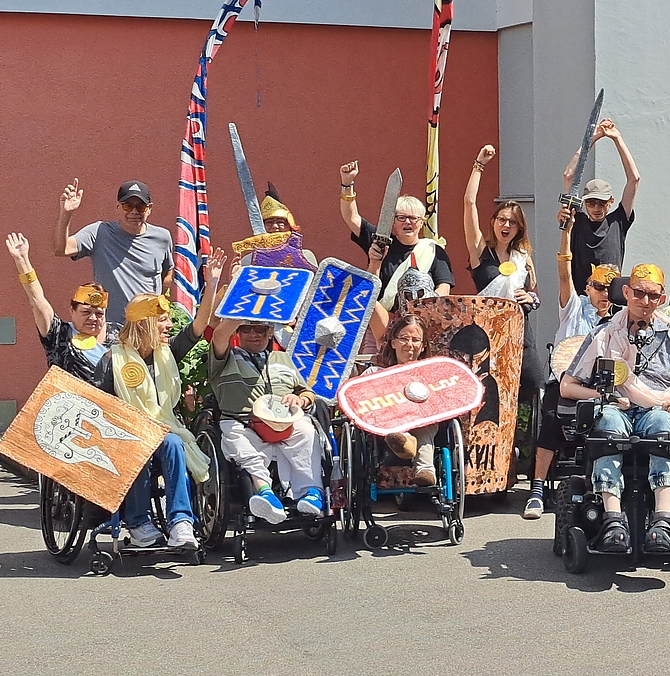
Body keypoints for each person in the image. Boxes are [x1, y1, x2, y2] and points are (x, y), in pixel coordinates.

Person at [559, 264, 670, 553]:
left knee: (662, 423)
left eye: (653, 296)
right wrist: (603, 395)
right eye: (639, 293)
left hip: (658, 409)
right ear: (627, 292)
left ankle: (663, 520)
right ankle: (613, 521)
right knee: (608, 422)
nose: (645, 301)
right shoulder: (603, 335)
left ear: (662, 299)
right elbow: (567, 386)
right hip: (616, 409)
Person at [90, 249, 226, 549]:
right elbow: (98, 406)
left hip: (163, 432)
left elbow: (199, 325)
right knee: (142, 445)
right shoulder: (112, 360)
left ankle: (180, 522)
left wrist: (213, 282)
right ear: (144, 324)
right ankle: (138, 522)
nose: (169, 326)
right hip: (124, 435)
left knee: (173, 442)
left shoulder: (168, 354)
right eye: (162, 320)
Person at [521, 227, 620, 520]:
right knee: (552, 418)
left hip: (601, 386)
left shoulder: (620, 321)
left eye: (610, 288)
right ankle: (537, 489)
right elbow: (564, 271)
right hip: (565, 380)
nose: (604, 293)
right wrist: (565, 230)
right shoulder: (574, 308)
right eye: (598, 287)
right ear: (588, 288)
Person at [209, 314, 326, 524]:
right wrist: (246, 309)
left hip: (285, 420)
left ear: (270, 332)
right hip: (243, 420)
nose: (253, 334)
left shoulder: (282, 358)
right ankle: (265, 494)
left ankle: (312, 493)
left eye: (260, 329)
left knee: (307, 431)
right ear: (237, 332)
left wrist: (300, 399)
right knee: (238, 438)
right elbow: (219, 335)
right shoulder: (225, 357)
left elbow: (306, 392)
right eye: (246, 329)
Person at [463, 144, 546, 407]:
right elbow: (469, 203)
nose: (506, 225)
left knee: (536, 389)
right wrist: (479, 165)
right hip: (486, 337)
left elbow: (536, 296)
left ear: (519, 228)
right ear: (493, 222)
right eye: (502, 220)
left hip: (520, 335)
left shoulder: (524, 256)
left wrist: (531, 299)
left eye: (512, 222)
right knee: (489, 397)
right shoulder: (480, 251)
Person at [52, 179, 174, 320]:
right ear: (117, 207)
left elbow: (167, 273)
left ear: (149, 209)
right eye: (128, 206)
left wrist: (157, 305)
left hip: (148, 326)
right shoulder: (99, 232)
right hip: (111, 328)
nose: (134, 212)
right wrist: (66, 214)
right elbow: (61, 249)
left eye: (141, 207)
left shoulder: (162, 237)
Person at [338, 161, 454, 309]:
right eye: (401, 218)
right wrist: (347, 183)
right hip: (382, 316)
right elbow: (351, 217)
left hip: (420, 317)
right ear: (393, 222)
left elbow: (444, 287)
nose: (407, 222)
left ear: (422, 222)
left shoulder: (433, 251)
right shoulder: (380, 240)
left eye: (413, 218)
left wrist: (424, 309)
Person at [8, 233, 117, 379]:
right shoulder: (59, 333)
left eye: (99, 313)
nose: (93, 318)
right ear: (72, 311)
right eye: (86, 312)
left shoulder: (119, 334)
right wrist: (22, 260)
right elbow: (37, 301)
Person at [562, 118, 641, 297]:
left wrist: (617, 139)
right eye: (591, 203)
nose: (596, 208)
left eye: (602, 203)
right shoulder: (576, 220)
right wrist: (592, 138)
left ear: (610, 201)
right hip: (581, 300)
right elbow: (568, 176)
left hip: (611, 302)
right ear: (584, 202)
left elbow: (634, 179)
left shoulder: (618, 222)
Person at [364, 315, 440, 487]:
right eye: (404, 338)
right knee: (371, 378)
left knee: (424, 426)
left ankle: (425, 471)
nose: (409, 344)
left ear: (423, 346)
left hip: (422, 422)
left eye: (415, 340)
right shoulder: (376, 374)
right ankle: (404, 440)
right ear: (393, 343)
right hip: (387, 426)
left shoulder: (433, 376)